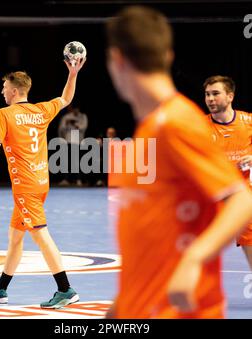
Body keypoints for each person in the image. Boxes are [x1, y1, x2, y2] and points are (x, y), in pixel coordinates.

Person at [105, 5, 252, 319]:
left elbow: (242, 200)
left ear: (117, 61)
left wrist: (194, 259)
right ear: (167, 56)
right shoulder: (150, 128)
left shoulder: (178, 123)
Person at [0, 57, 86, 308]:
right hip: (41, 182)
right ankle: (0, 289)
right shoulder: (41, 110)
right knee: (15, 237)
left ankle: (65, 289)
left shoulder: (5, 114)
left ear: (14, 90)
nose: (1, 92)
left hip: (26, 187)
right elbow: (66, 98)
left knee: (41, 236)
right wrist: (73, 73)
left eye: (4, 88)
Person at [204, 75, 252, 268]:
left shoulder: (248, 121)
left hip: (242, 198)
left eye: (215, 93)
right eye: (207, 94)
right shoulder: (199, 127)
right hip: (212, 199)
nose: (210, 99)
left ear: (230, 96)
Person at [58, 105, 88, 186]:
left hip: (78, 141)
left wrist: (74, 123)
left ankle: (78, 179)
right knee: (66, 161)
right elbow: (61, 129)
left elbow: (83, 127)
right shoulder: (66, 117)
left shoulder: (83, 116)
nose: (75, 110)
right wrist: (67, 123)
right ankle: (66, 179)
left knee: (76, 161)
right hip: (68, 140)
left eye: (77, 108)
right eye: (74, 108)